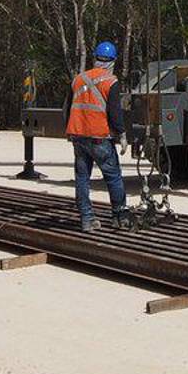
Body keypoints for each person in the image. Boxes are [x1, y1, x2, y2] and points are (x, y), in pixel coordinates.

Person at [63, 41, 129, 232]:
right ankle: (119, 217)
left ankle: (87, 219)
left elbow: (67, 108)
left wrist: (69, 131)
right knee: (113, 177)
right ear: (112, 61)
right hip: (100, 137)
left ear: (95, 59)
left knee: (82, 179)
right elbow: (115, 112)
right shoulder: (111, 82)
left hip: (78, 136)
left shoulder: (78, 79)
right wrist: (122, 135)